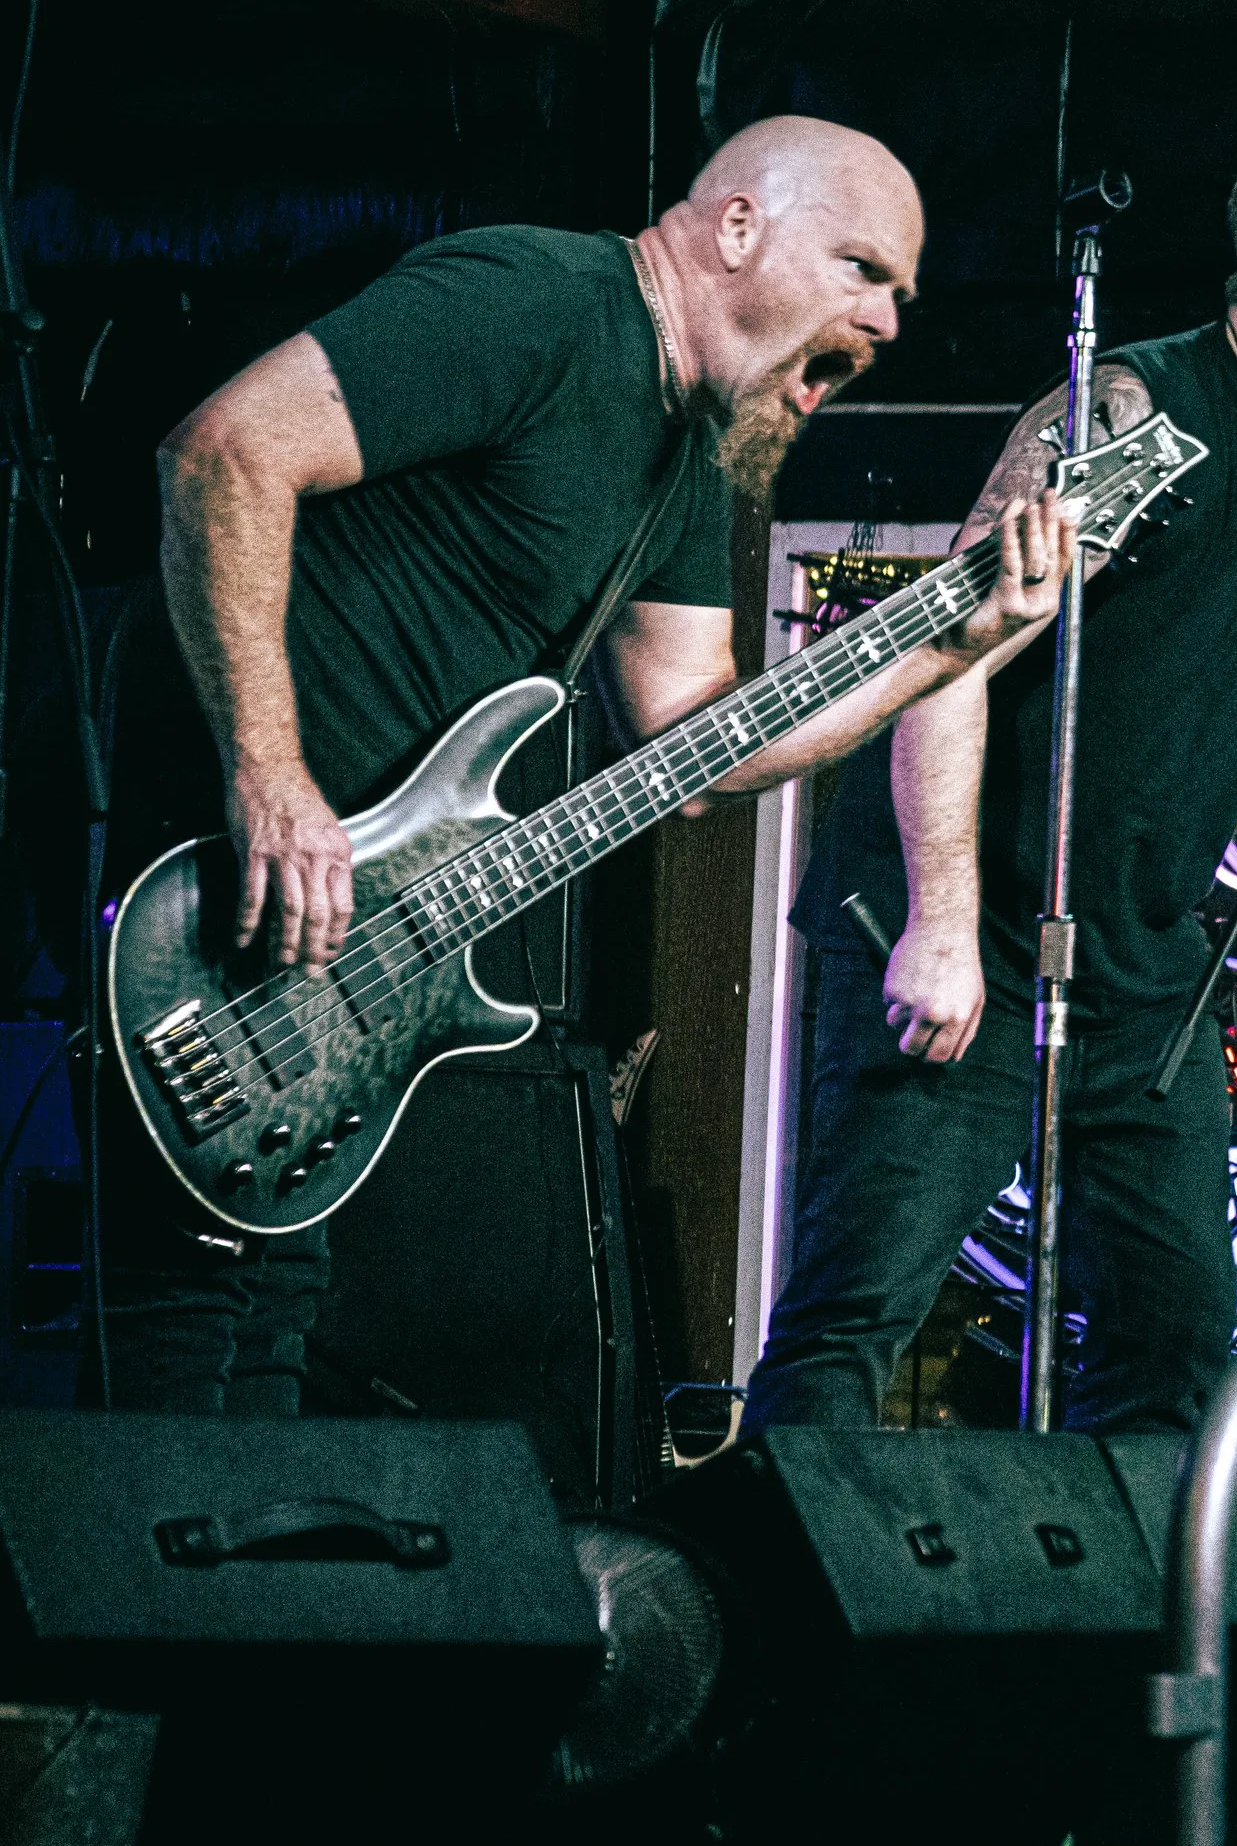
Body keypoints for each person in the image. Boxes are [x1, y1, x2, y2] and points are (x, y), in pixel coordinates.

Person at [94, 116, 1073, 1414]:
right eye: (863, 269)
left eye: (900, 292)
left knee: (270, 1302)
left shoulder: (689, 451)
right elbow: (225, 453)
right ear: (738, 228)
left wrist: (949, 646)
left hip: (348, 920)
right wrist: (271, 776)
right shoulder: (539, 303)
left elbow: (695, 742)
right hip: (217, 858)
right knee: (174, 1305)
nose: (889, 320)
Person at [746, 122, 1237, 1433]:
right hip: (975, 924)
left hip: (1143, 974)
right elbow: (947, 652)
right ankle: (776, 1563)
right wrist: (940, 920)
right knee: (858, 1314)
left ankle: (1112, 1577)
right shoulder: (1132, 411)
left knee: (1176, 1341)